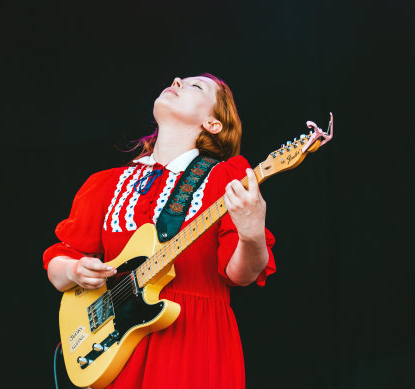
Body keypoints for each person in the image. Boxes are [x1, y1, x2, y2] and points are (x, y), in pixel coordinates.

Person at [43, 73, 276, 388]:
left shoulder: (227, 177)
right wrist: (75, 269)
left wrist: (251, 235)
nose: (178, 81)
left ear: (213, 123)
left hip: (193, 340)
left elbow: (241, 275)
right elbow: (58, 266)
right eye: (179, 80)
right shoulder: (105, 184)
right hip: (117, 348)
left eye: (195, 86)